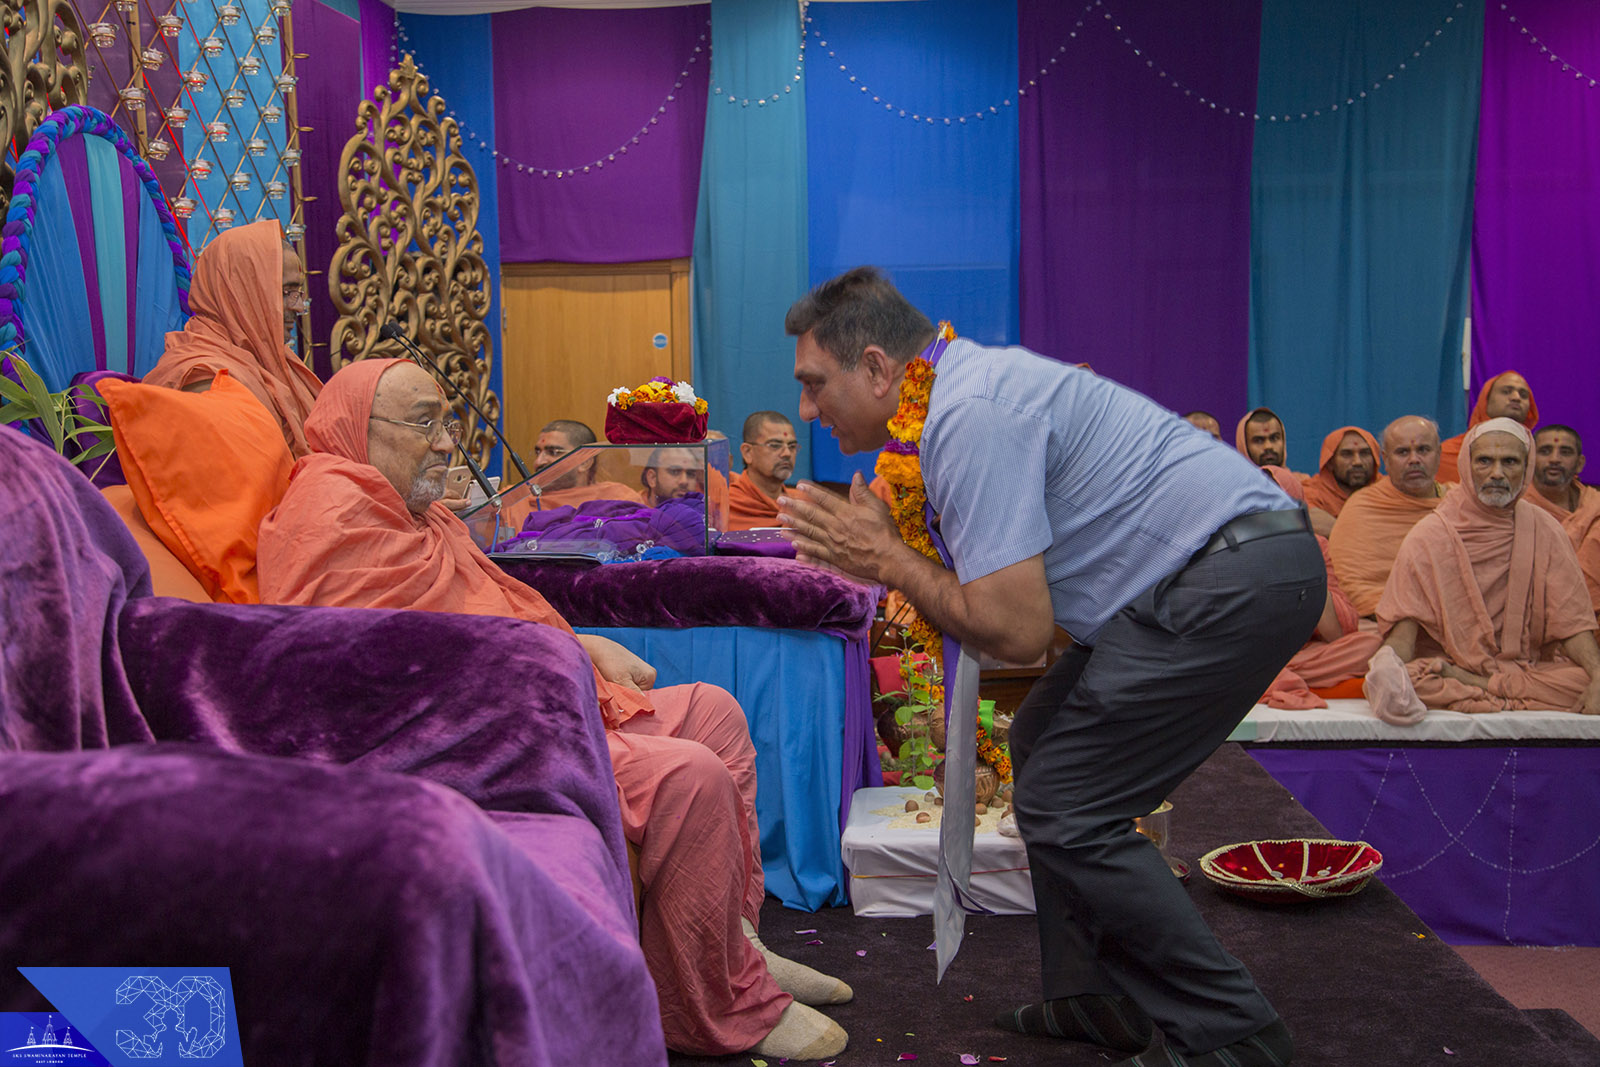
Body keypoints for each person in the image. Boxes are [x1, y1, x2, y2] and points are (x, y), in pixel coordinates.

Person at [777, 267, 1321, 1067]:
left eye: (814, 383)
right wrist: (899, 548)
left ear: (877, 367)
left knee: (1069, 801)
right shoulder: (956, 400)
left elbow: (1016, 632)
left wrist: (889, 558)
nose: (805, 410)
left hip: (1228, 576)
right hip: (1208, 575)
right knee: (1042, 739)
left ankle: (1235, 1035)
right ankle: (1093, 995)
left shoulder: (968, 415)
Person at [256, 359, 851, 1061]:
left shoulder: (417, 509)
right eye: (425, 422)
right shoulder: (331, 508)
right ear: (361, 427)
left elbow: (493, 608)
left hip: (524, 693)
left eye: (446, 420)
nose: (446, 443)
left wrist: (581, 645)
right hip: (468, 734)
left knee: (714, 711)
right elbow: (369, 669)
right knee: (689, 777)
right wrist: (560, 663)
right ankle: (709, 1006)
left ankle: (731, 943)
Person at [1365, 419, 1600, 723]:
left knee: (1581, 681)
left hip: (1523, 669)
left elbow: (1573, 625)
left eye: (1510, 462)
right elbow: (1403, 634)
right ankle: (1499, 690)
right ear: (1466, 465)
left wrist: (1596, 675)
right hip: (1448, 664)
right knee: (1410, 678)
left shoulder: (1546, 529)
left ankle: (1477, 685)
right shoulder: (1431, 535)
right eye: (1485, 461)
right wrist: (1386, 663)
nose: (1497, 473)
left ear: (1527, 467)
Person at [143, 220, 322, 457]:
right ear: (239, 290)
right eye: (284, 292)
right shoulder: (203, 377)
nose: (298, 307)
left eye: (297, 293)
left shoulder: (278, 363)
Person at [1257, 467, 1382, 709]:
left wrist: (1303, 558)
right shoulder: (1232, 545)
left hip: (1302, 654)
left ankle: (1276, 676)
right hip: (1248, 653)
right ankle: (1277, 676)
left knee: (1370, 646)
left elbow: (1337, 633)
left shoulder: (1316, 546)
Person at [1327, 416, 1448, 617]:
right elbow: (1353, 585)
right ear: (1385, 460)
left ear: (1439, 454)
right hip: (1385, 619)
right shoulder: (1362, 507)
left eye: (1423, 450)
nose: (1414, 459)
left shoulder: (1458, 505)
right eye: (1403, 452)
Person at [1527, 425, 1600, 611]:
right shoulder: (1516, 510)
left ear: (1580, 463)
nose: (1554, 459)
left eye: (1565, 452)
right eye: (1545, 451)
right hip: (1537, 619)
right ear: (1530, 460)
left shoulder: (1595, 507)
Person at [1436, 371, 1538, 484]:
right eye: (1506, 392)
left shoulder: (1539, 457)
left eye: (1523, 395)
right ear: (1486, 401)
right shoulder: (1445, 455)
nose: (1516, 397)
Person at [530, 419, 643, 506]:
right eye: (537, 452)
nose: (539, 462)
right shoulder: (516, 502)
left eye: (553, 452)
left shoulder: (619, 498)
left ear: (585, 462)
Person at [728, 412, 799, 530]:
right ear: (747, 452)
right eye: (775, 445)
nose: (787, 453)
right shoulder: (725, 505)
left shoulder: (802, 503)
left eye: (792, 446)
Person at [1301, 426, 1379, 519]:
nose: (1357, 462)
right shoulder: (1312, 492)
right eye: (1347, 454)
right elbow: (1311, 520)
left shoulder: (1388, 489)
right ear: (1330, 462)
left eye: (1365, 453)